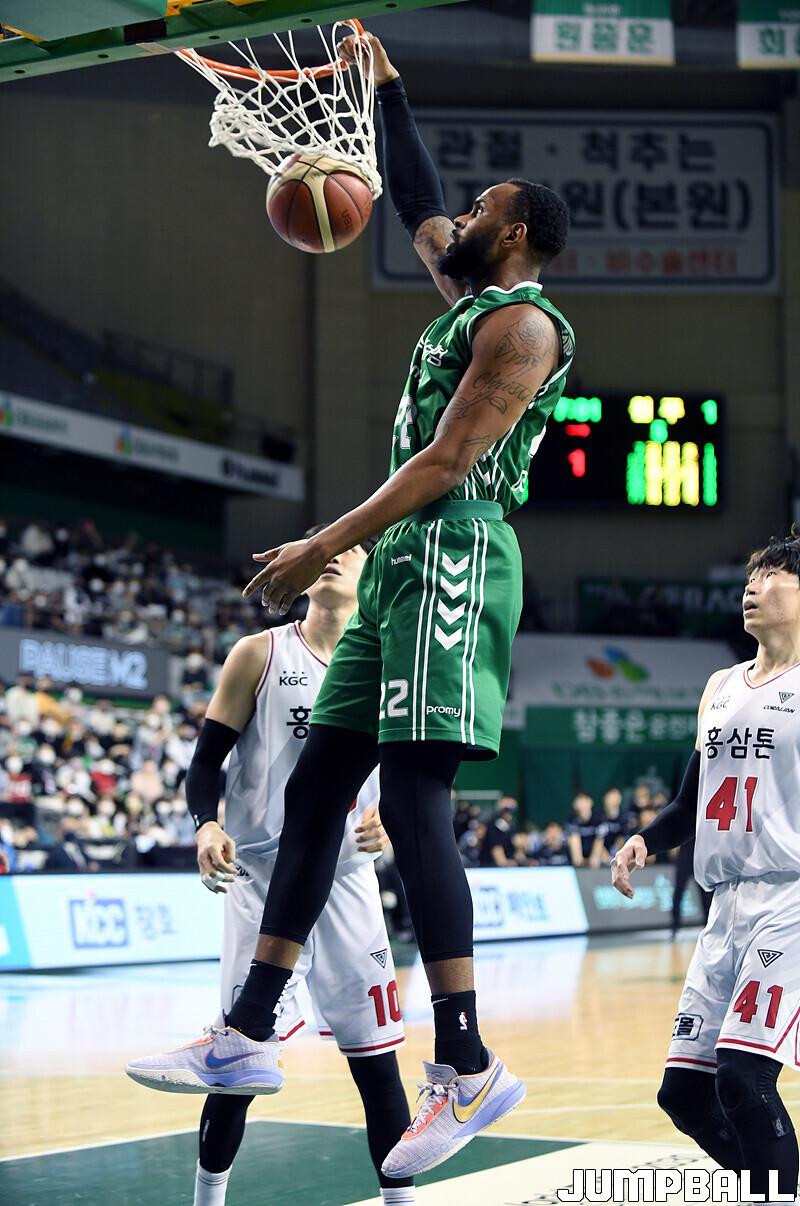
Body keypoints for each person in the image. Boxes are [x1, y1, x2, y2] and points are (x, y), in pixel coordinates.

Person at [134, 29, 574, 1180]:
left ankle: (465, 1061)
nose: (457, 216)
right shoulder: (468, 297)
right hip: (401, 567)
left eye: (482, 208)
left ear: (513, 234)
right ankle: (245, 1032)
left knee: (416, 794)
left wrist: (323, 542)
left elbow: (446, 462)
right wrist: (387, 92)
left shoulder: (521, 327)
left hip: (454, 553)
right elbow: (416, 205)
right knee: (319, 784)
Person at [127, 529, 415, 1206]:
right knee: (236, 1063)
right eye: (319, 547)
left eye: (348, 548)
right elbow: (205, 762)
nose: (332, 553)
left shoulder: (391, 667)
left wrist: (390, 823)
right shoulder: (259, 653)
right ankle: (208, 1199)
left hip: (346, 881)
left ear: (372, 576)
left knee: (378, 1067)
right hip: (260, 881)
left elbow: (411, 781)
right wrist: (206, 823)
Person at [611, 530, 800, 1201]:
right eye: (751, 575)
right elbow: (693, 800)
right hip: (725, 906)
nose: (754, 585)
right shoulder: (720, 685)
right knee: (685, 1094)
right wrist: (646, 840)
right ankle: (778, 1187)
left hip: (791, 900)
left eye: (772, 574)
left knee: (745, 1078)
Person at [565, 791, 604, 868]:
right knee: (573, 838)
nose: (582, 805)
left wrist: (594, 859)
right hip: (578, 856)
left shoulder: (599, 819)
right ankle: (580, 866)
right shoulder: (571, 820)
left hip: (596, 855)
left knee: (601, 847)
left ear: (591, 802)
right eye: (579, 801)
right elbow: (573, 840)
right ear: (574, 804)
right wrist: (578, 861)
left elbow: (599, 840)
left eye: (585, 800)